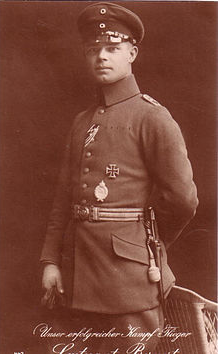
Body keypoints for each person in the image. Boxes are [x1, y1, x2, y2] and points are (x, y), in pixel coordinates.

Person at [40, 2, 198, 352]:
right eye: (93, 50)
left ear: (132, 53)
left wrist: (145, 246)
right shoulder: (82, 121)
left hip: (129, 280)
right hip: (77, 276)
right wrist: (51, 260)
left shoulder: (152, 118)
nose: (102, 57)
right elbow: (63, 200)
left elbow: (183, 201)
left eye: (112, 48)